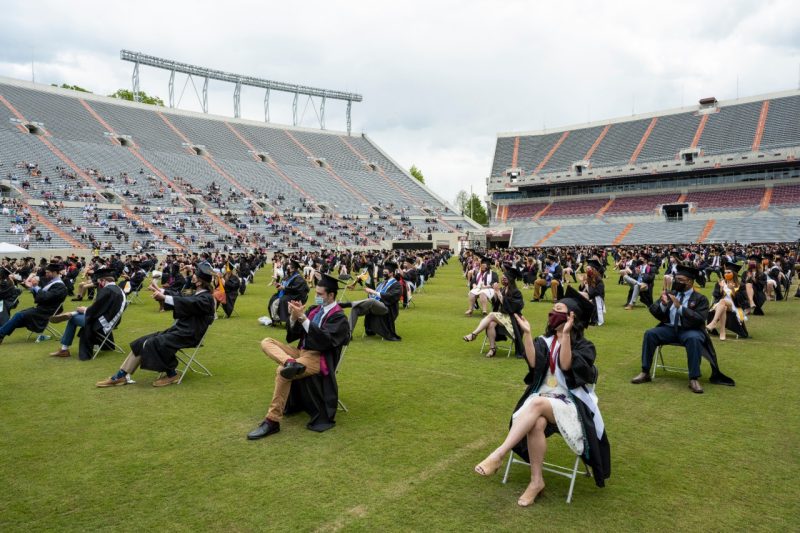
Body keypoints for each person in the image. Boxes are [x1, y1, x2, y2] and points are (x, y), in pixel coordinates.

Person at [473, 286, 610, 506]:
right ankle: (536, 481)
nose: (552, 313)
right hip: (545, 399)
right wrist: (527, 334)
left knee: (536, 403)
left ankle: (498, 454)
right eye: (552, 309)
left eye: (559, 309)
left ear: (571, 318)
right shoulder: (545, 341)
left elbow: (566, 366)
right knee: (536, 423)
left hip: (571, 403)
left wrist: (565, 334)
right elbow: (534, 363)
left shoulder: (585, 346)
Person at [247, 274, 350, 439]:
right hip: (300, 352)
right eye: (316, 293)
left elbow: (325, 341)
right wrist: (294, 317)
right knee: (267, 341)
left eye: (320, 294)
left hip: (318, 358)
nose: (316, 297)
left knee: (282, 371)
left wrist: (302, 318)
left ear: (331, 295)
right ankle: (290, 362)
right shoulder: (313, 310)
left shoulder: (339, 317)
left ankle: (272, 421)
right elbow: (294, 334)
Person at [95, 262, 216, 388]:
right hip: (179, 330)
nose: (193, 276)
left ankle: (172, 374)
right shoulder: (196, 293)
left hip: (189, 334)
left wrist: (164, 297)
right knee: (142, 341)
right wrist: (161, 290)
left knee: (155, 342)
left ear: (200, 282)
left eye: (195, 275)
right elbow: (180, 295)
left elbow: (188, 302)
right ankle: (121, 376)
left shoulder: (205, 298)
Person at [631, 263, 735, 394]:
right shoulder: (671, 294)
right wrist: (663, 305)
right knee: (650, 334)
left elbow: (699, 319)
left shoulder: (700, 299)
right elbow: (655, 311)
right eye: (676, 279)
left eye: (681, 280)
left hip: (690, 330)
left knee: (694, 339)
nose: (677, 282)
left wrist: (680, 308)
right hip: (669, 329)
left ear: (690, 282)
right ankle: (645, 372)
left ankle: (693, 378)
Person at [49, 268, 126, 360]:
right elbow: (101, 308)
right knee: (79, 313)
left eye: (100, 282)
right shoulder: (118, 289)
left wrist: (85, 310)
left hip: (102, 323)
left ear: (104, 280)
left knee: (73, 319)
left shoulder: (107, 290)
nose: (100, 285)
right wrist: (86, 310)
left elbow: (95, 310)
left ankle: (64, 349)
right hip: (111, 320)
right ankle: (72, 313)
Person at [463, 264, 525, 357]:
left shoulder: (516, 292)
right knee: (491, 324)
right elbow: (496, 304)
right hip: (503, 317)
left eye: (505, 278)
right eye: (502, 278)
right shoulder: (503, 289)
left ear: (511, 280)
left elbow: (511, 308)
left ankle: (474, 334)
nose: (503, 280)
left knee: (491, 315)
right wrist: (496, 295)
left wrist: (498, 293)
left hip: (513, 319)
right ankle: (492, 349)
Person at [0, 262, 67, 344]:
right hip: (43, 308)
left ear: (55, 272)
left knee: (18, 316)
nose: (46, 274)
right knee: (17, 318)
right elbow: (41, 297)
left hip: (47, 311)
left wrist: (35, 287)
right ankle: (1, 334)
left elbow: (45, 297)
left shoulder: (60, 286)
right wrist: (31, 288)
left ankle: (1, 334)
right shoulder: (52, 282)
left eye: (48, 272)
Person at [343, 260, 403, 341]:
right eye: (383, 272)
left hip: (387, 308)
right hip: (375, 306)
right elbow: (374, 296)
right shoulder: (381, 283)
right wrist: (370, 293)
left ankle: (348, 303)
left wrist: (373, 292)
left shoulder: (397, 285)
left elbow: (391, 297)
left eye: (385, 272)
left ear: (391, 273)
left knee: (372, 301)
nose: (383, 274)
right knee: (356, 308)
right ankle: (348, 334)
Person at [706, 261, 748, 341]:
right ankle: (722, 332)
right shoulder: (721, 283)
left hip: (734, 306)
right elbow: (715, 296)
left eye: (729, 272)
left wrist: (732, 289)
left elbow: (742, 300)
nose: (726, 274)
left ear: (734, 273)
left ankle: (713, 322)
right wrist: (721, 288)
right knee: (723, 305)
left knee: (723, 301)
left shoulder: (740, 285)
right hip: (719, 306)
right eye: (725, 272)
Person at [578, 258, 606, 326]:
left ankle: (593, 319)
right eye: (586, 269)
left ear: (593, 269)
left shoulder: (598, 279)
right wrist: (582, 281)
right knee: (578, 294)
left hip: (596, 298)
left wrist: (587, 285)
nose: (587, 270)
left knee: (586, 300)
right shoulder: (589, 277)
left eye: (589, 269)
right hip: (590, 296)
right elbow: (582, 290)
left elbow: (592, 293)